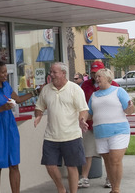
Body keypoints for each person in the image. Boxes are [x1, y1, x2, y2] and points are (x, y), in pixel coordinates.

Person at [0, 60, 38, 193]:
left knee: (14, 164)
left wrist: (35, 92)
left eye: (6, 72)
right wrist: (2, 108)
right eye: (2, 72)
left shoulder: (6, 86)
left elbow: (18, 100)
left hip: (9, 126)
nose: (5, 75)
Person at [34, 62, 89, 193]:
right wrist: (38, 116)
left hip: (71, 135)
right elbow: (39, 107)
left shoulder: (75, 89)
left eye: (54, 72)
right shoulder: (46, 89)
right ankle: (61, 189)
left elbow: (83, 109)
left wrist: (82, 120)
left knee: (71, 166)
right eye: (50, 72)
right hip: (51, 136)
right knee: (50, 165)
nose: (51, 75)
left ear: (63, 73)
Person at [88, 68, 135, 193]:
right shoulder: (94, 95)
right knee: (108, 161)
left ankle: (116, 189)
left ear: (108, 78)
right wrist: (80, 118)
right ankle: (113, 187)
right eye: (96, 76)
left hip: (119, 131)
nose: (97, 79)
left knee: (115, 160)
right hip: (100, 133)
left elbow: (128, 110)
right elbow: (89, 114)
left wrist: (131, 107)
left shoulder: (119, 91)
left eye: (99, 77)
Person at [79, 60, 119, 188]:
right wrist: (83, 119)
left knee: (109, 154)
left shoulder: (114, 86)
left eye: (97, 73)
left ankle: (109, 178)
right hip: (90, 125)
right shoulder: (85, 85)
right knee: (87, 151)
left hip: (107, 126)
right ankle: (84, 178)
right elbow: (83, 103)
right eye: (92, 73)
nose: (95, 76)